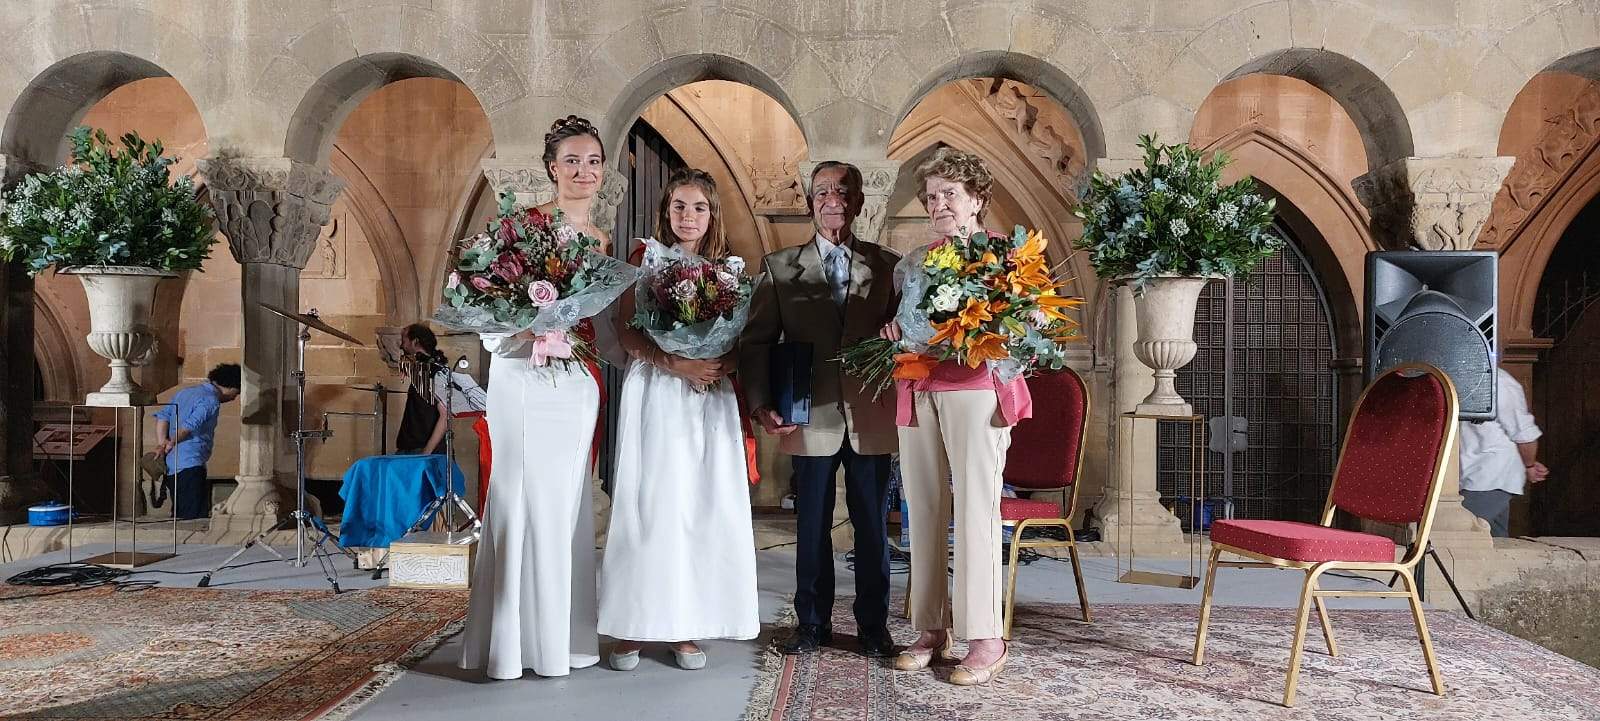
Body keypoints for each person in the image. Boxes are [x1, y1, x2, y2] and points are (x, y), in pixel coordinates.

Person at [458, 115, 612, 680]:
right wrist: (524, 332)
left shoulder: (601, 241)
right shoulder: (519, 228)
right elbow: (480, 303)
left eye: (593, 161)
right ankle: (509, 645)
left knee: (565, 500)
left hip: (573, 384)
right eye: (572, 160)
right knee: (517, 494)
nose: (583, 171)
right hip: (521, 375)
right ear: (552, 168)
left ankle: (561, 642)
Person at [739, 161, 901, 658]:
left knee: (873, 526)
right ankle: (812, 624)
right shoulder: (779, 266)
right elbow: (757, 341)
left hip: (871, 414)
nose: (833, 198)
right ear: (810, 201)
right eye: (822, 191)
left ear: (858, 201)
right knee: (810, 525)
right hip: (806, 414)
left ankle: (874, 628)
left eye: (843, 190)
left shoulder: (889, 265)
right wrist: (762, 404)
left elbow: (906, 335)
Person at [599, 169, 759, 671]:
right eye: (679, 207)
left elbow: (744, 341)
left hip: (710, 397)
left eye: (698, 208)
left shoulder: (728, 270)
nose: (688, 217)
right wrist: (677, 363)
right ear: (665, 212)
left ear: (712, 215)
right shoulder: (645, 259)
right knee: (652, 503)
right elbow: (625, 333)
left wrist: (718, 364)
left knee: (700, 507)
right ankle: (633, 628)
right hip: (660, 393)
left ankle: (686, 627)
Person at [884, 148, 1031, 686]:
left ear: (976, 200)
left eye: (950, 194)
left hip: (975, 389)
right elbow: (905, 323)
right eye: (931, 197)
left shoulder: (1004, 257)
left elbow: (1024, 338)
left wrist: (974, 340)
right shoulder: (915, 263)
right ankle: (930, 629)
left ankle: (986, 636)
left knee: (976, 508)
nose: (938, 204)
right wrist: (895, 334)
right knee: (920, 506)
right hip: (919, 386)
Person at [1459, 365, 1547, 538]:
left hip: (1491, 477)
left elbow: (1524, 435)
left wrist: (1529, 465)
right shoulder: (1462, 376)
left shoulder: (1499, 382)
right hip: (1473, 475)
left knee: (1459, 532)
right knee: (1495, 541)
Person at [152, 363, 241, 519]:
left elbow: (163, 417)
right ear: (232, 387)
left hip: (173, 463)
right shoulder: (211, 400)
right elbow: (189, 427)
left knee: (180, 515)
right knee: (193, 518)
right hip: (190, 463)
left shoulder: (185, 393)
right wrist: (169, 443)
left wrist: (162, 444)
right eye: (237, 392)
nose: (235, 397)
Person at [395, 323, 451, 455]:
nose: (401, 346)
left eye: (404, 341)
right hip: (411, 446)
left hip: (425, 449)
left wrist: (427, 451)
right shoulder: (420, 370)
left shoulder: (436, 372)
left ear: (415, 342)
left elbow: (445, 415)